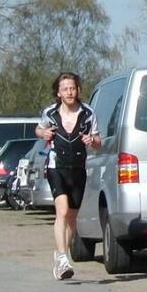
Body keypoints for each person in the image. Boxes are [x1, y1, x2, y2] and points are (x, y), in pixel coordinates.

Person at [35, 72, 101, 280]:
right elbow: (39, 129)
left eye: (72, 88)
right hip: (57, 167)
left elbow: (98, 142)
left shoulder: (88, 113)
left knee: (72, 217)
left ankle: (59, 255)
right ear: (59, 93)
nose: (69, 92)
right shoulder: (51, 113)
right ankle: (63, 258)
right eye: (65, 89)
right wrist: (44, 133)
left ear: (78, 90)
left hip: (78, 168)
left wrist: (92, 140)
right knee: (62, 211)